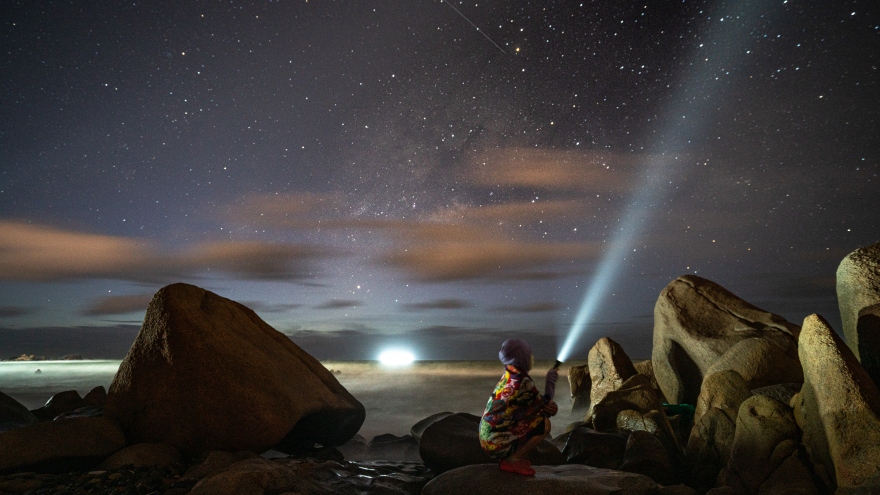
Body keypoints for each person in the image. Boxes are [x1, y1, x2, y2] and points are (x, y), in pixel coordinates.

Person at [479, 338, 559, 476]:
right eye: (529, 354)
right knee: (544, 424)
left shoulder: (508, 374)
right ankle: (512, 460)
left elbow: (528, 403)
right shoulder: (522, 381)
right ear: (522, 357)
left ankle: (509, 456)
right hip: (495, 445)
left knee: (530, 418)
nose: (532, 357)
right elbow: (546, 408)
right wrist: (551, 381)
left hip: (486, 439)